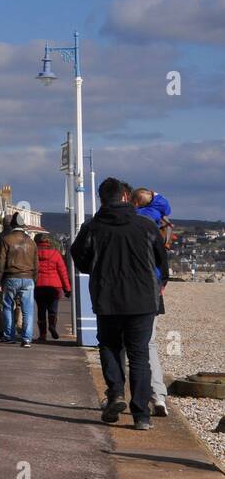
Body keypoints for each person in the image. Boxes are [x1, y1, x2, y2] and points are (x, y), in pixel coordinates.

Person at [71, 177, 168, 432]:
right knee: (139, 355)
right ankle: (141, 415)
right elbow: (161, 260)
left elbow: (78, 257)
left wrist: (96, 268)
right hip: (143, 300)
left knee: (110, 347)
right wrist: (160, 283)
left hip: (107, 299)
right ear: (125, 197)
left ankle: (115, 395)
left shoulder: (92, 227)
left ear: (102, 198)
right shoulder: (146, 225)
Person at [133, 186, 173, 417]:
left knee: (127, 347)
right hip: (153, 288)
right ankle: (159, 397)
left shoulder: (136, 218)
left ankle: (124, 395)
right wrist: (155, 194)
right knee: (150, 345)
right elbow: (163, 204)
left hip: (131, 289)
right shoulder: (156, 216)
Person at [0, 214, 38, 346]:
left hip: (11, 277)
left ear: (12, 226)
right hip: (28, 278)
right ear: (23, 227)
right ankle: (27, 339)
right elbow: (36, 264)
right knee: (27, 310)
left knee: (7, 306)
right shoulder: (31, 242)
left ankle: (9, 336)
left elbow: (0, 262)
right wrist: (34, 279)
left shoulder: (6, 240)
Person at [32, 233, 71, 341]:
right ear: (49, 242)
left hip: (39, 286)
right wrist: (67, 288)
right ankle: (52, 326)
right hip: (54, 287)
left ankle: (43, 335)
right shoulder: (56, 254)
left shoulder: (34, 254)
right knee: (53, 310)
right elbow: (63, 272)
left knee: (41, 310)